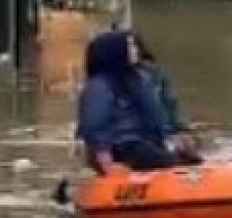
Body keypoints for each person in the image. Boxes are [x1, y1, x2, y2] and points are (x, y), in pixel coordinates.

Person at [76, 31, 184, 174]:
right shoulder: (100, 86)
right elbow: (95, 125)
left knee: (187, 159)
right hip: (122, 146)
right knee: (171, 163)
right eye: (130, 46)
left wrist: (172, 136)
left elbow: (157, 115)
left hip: (144, 142)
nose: (135, 50)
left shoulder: (139, 79)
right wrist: (106, 161)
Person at [131, 33, 203, 164]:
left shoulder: (155, 74)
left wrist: (180, 129)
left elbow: (170, 105)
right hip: (141, 139)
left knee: (189, 152)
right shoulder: (113, 83)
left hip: (163, 133)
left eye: (133, 46)